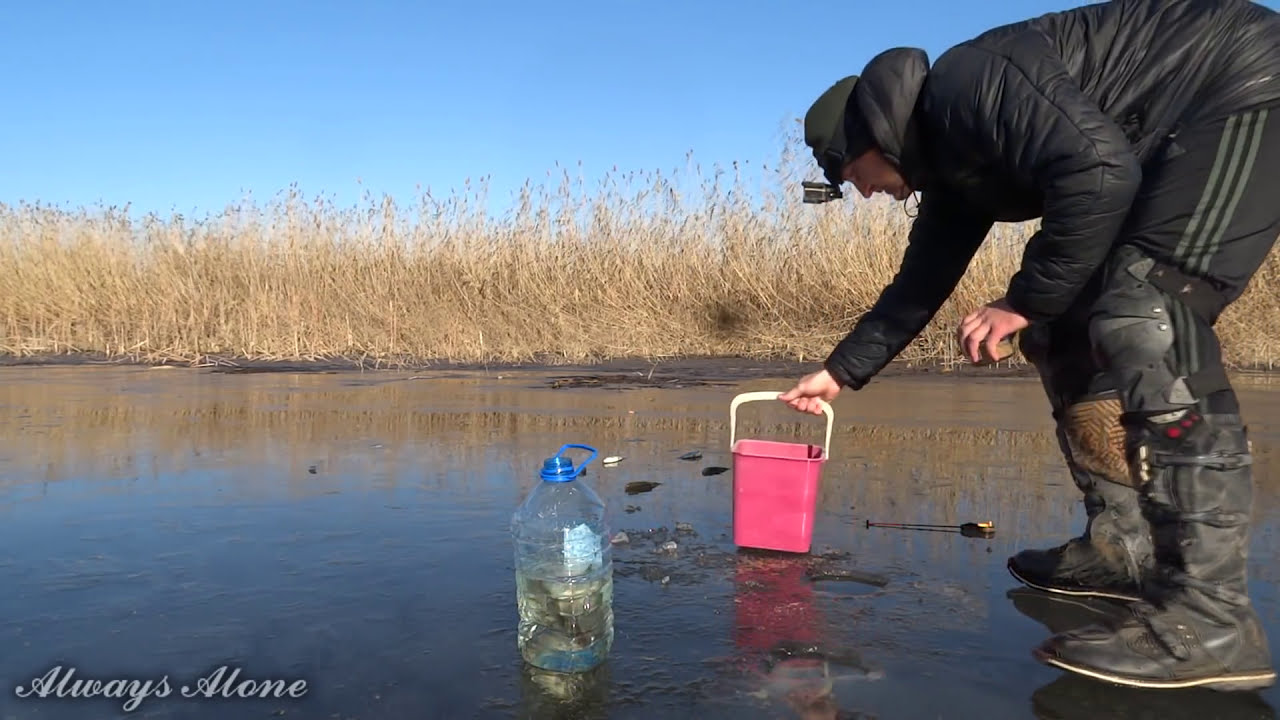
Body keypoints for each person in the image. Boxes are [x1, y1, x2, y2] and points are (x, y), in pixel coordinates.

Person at [779, 0, 1280, 692]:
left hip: (1245, 86)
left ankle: (1214, 621)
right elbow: (918, 287)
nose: (858, 192)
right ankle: (1122, 545)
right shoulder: (950, 167)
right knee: (1065, 332)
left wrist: (1020, 299)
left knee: (1146, 313)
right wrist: (837, 374)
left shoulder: (966, 85)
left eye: (847, 173)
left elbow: (1099, 171)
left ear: (869, 131)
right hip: (1166, 135)